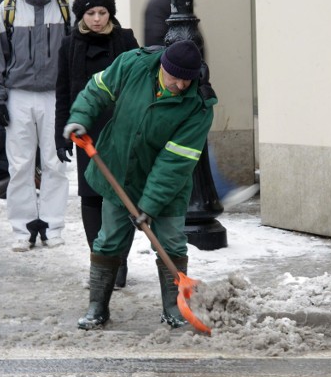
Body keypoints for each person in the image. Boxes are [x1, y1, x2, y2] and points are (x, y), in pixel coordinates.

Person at [64, 40, 217, 330]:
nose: (182, 85)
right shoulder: (132, 64)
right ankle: (97, 306)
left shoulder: (199, 107)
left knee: (170, 242)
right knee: (109, 241)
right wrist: (80, 117)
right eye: (175, 78)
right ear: (163, 67)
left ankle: (174, 307)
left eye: (188, 79)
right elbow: (98, 89)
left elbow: (173, 164)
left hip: (167, 189)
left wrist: (148, 206)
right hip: (120, 173)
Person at [143, 0, 258, 208]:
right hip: (178, 85)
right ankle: (220, 189)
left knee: (195, 138)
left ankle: (217, 189)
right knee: (194, 138)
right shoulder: (164, 3)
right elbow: (159, 48)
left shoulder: (169, 1)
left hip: (183, 81)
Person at [0, 0, 73, 251]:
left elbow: (73, 56)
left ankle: (52, 224)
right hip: (18, 95)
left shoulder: (64, 8)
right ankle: (22, 229)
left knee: (55, 161)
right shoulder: (9, 8)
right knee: (20, 164)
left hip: (54, 96)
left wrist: (73, 98)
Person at [54, 0, 139, 288]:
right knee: (91, 195)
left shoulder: (125, 39)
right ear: (82, 15)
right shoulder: (69, 45)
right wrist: (60, 133)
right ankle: (100, 262)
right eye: (91, 13)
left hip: (121, 130)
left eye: (103, 12)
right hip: (86, 132)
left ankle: (121, 262)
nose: (98, 19)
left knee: (119, 195)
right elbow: (63, 91)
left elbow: (139, 81)